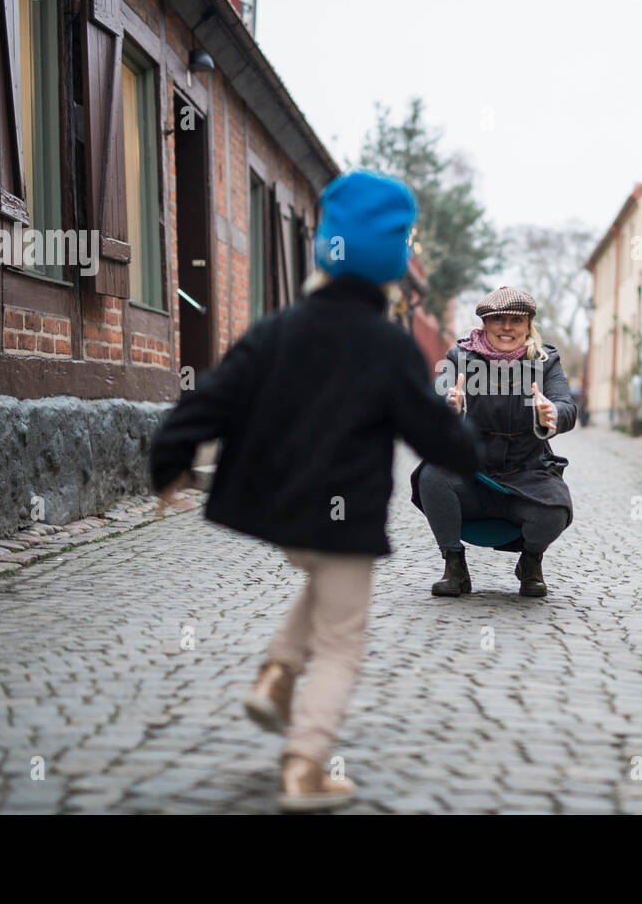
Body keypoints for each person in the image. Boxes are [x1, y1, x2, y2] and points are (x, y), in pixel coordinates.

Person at [150, 170, 480, 812]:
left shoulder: (277, 329)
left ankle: (276, 673)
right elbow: (435, 432)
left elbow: (209, 398)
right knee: (341, 641)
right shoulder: (388, 346)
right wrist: (469, 448)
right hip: (344, 517)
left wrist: (169, 462)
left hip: (284, 512)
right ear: (390, 266)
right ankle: (304, 765)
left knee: (323, 589)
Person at [411, 287, 577, 598]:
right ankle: (454, 566)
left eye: (516, 319)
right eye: (498, 319)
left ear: (528, 325)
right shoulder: (458, 357)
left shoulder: (546, 362)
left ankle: (531, 564)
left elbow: (566, 406)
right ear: (484, 324)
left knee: (557, 510)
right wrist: (448, 410)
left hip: (528, 474)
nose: (507, 327)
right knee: (432, 475)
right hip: (471, 472)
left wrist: (551, 412)